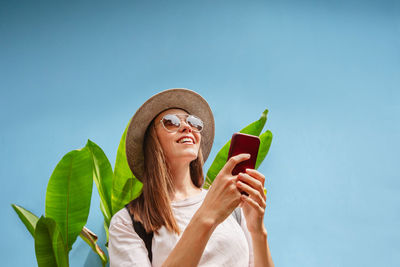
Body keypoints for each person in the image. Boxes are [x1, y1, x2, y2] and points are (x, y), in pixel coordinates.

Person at [108, 88, 274, 267]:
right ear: (151, 141)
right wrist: (208, 215)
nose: (187, 127)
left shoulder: (233, 207)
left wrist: (257, 230)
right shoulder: (127, 222)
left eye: (193, 122)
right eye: (171, 122)